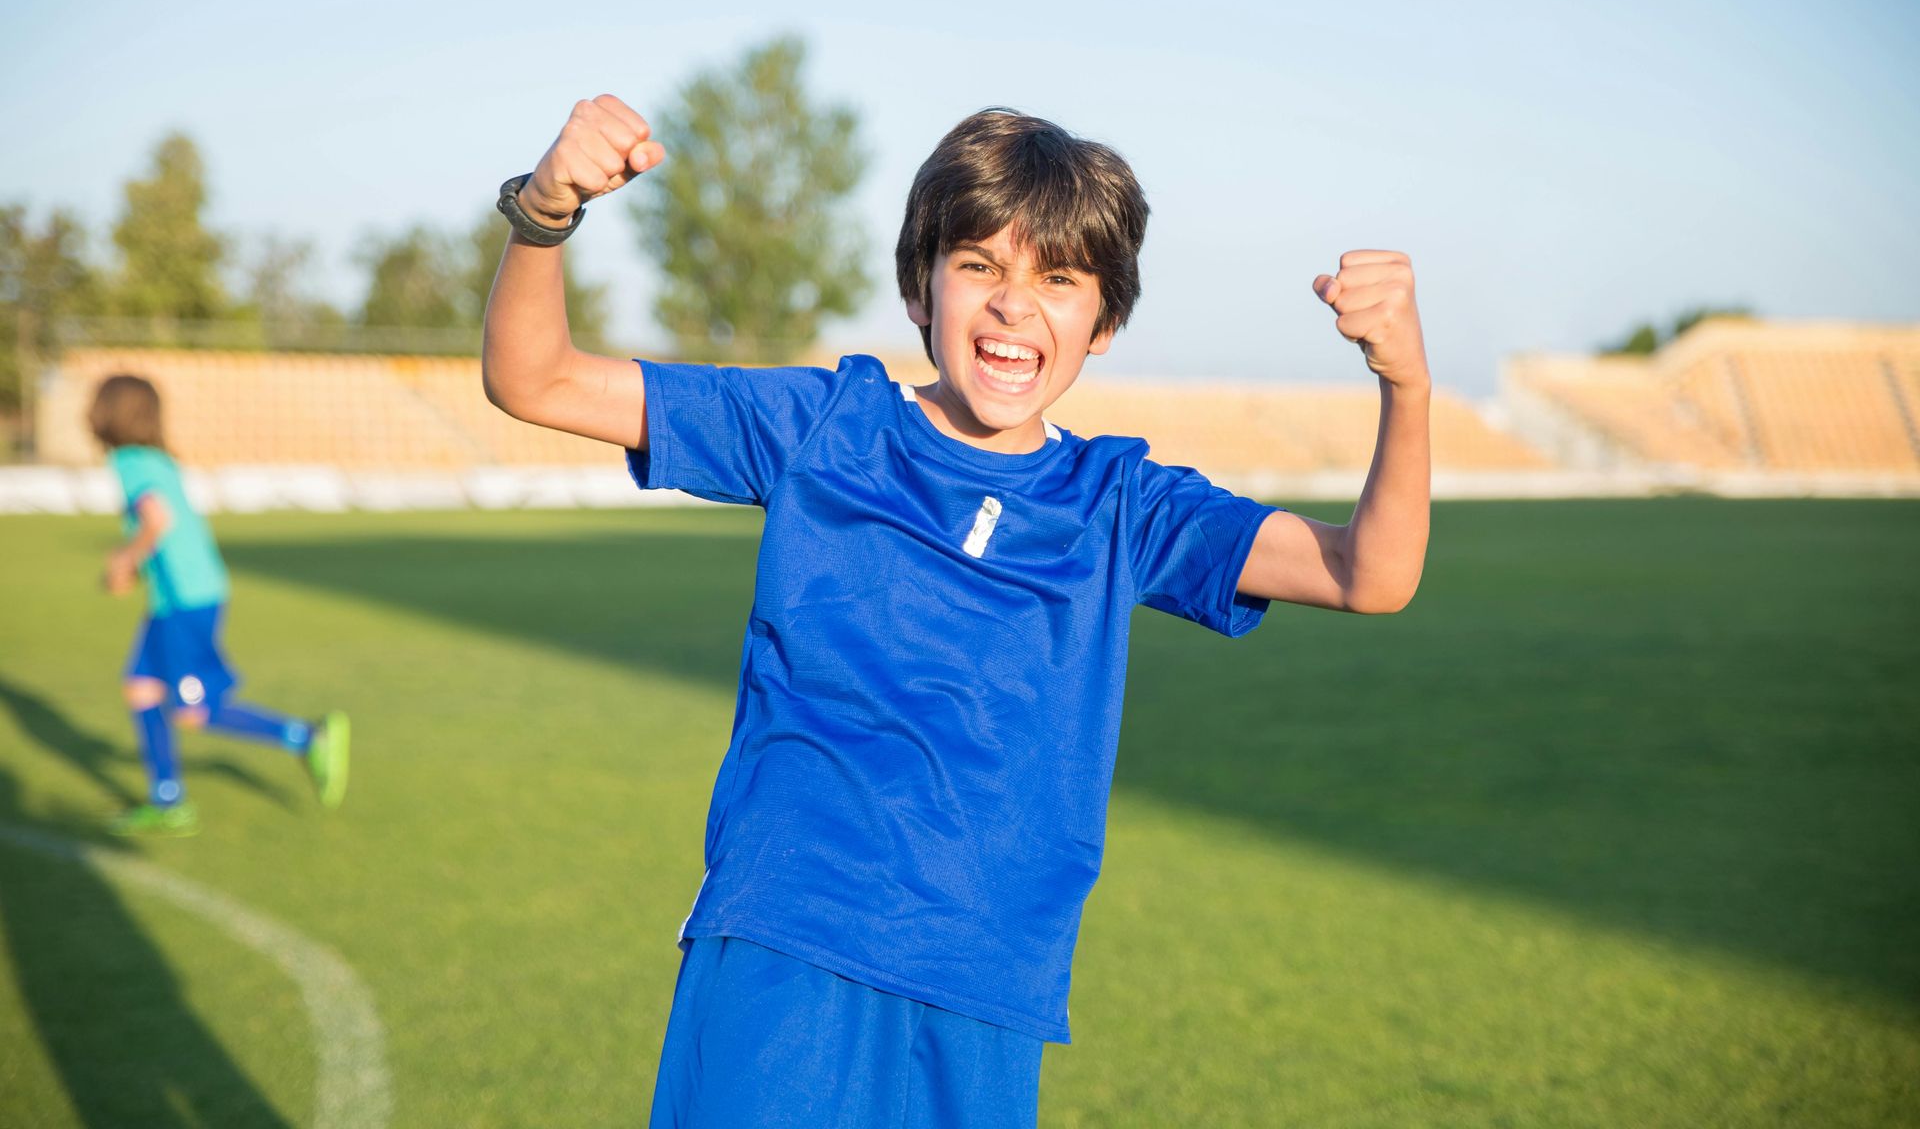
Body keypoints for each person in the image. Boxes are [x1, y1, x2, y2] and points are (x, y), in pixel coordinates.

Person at [483, 97, 1431, 1126]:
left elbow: (1368, 573)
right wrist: (544, 214)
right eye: (979, 265)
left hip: (987, 984)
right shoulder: (826, 427)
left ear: (1104, 321)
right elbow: (534, 379)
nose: (1014, 305)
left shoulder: (1122, 505)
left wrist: (1408, 383)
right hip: (788, 938)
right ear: (917, 285)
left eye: (1059, 280)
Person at [91, 375, 350, 837]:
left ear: (111, 414)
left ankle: (308, 738)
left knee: (194, 710)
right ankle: (168, 801)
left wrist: (123, 561)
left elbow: (158, 518)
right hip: (180, 597)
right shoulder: (156, 459)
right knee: (142, 689)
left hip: (186, 601)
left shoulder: (130, 461)